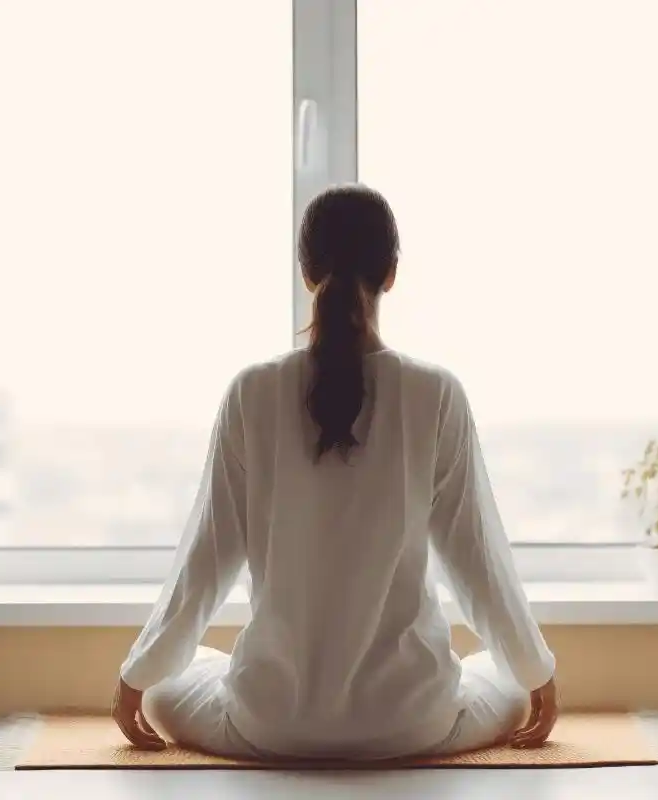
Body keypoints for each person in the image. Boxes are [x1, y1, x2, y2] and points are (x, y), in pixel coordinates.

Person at [111, 185, 559, 761]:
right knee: (500, 676)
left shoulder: (252, 391)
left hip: (269, 724)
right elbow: (477, 560)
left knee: (171, 682)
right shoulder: (436, 393)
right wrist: (535, 672)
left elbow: (207, 559)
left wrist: (137, 675)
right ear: (391, 273)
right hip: (412, 722)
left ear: (306, 273)